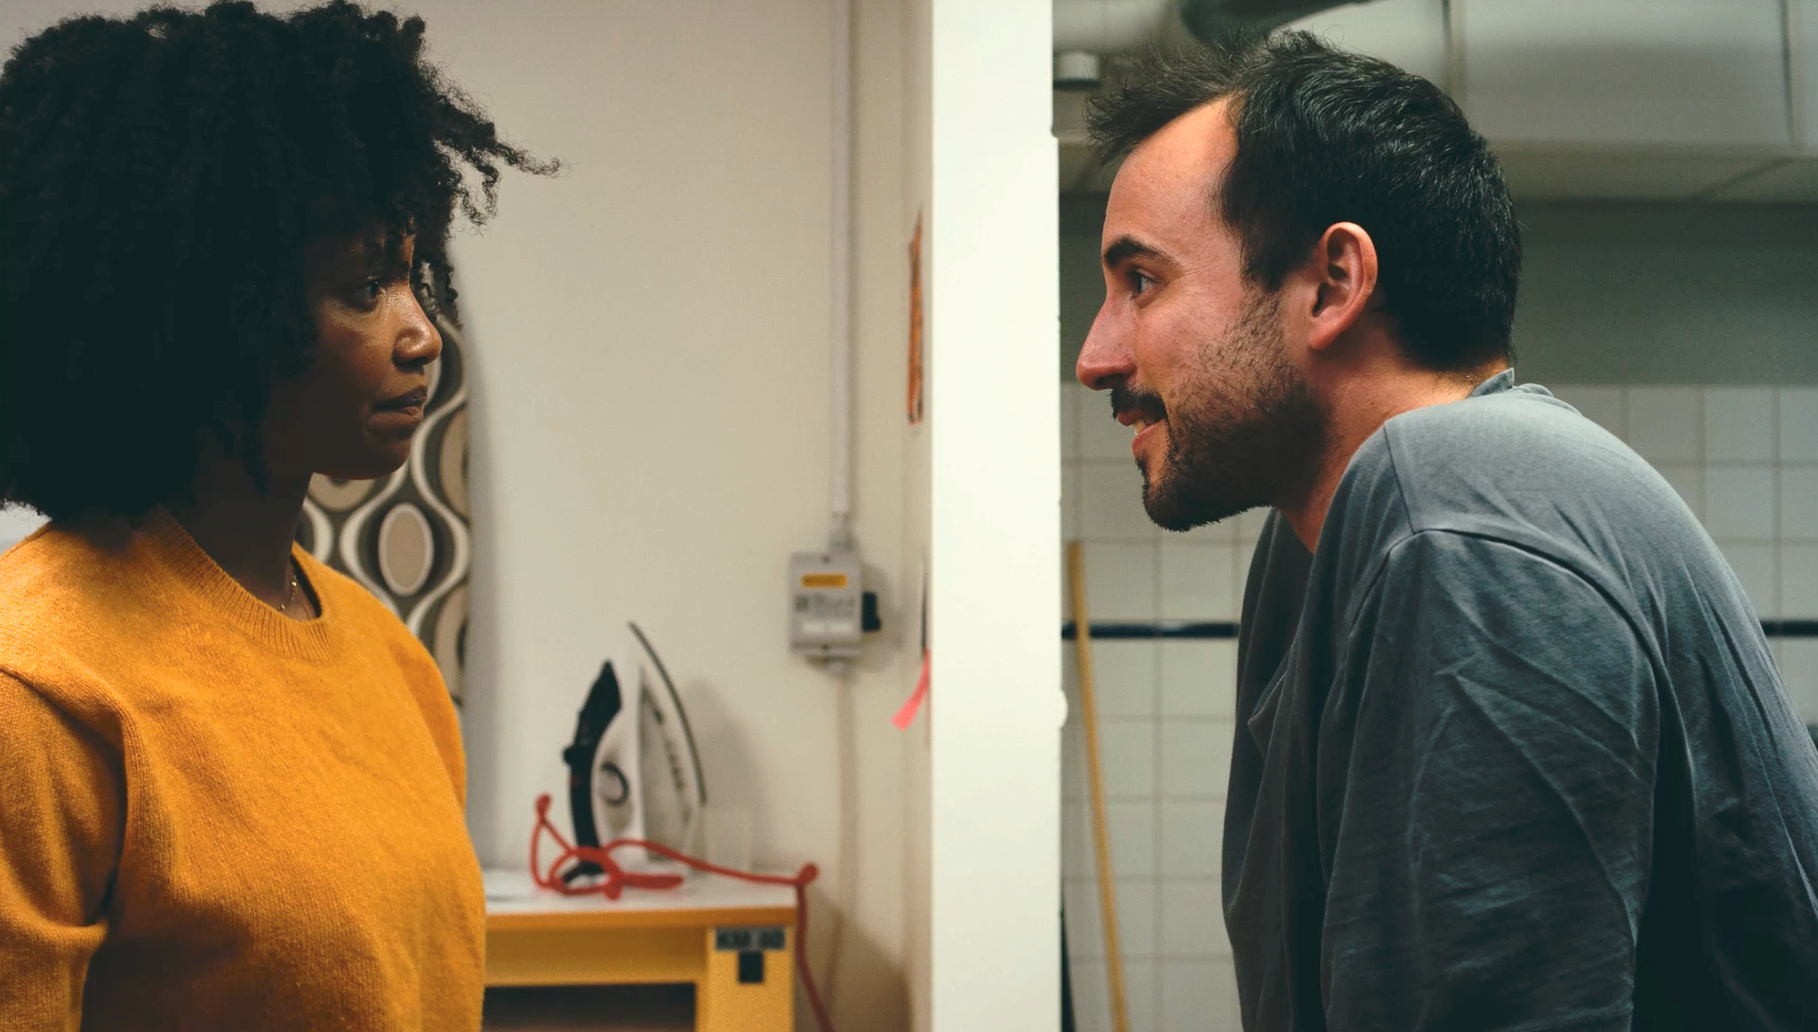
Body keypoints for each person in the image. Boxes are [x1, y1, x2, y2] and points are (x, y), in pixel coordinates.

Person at [1076, 32, 1818, 1032]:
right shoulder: (1332, 539)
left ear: (1333, 284)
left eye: (1142, 282)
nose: (1094, 356)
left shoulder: (1457, 516)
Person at [0, 3, 552, 1028]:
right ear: (217, 316)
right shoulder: (37, 687)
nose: (422, 333)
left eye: (411, 275)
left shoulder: (392, 661)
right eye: (364, 287)